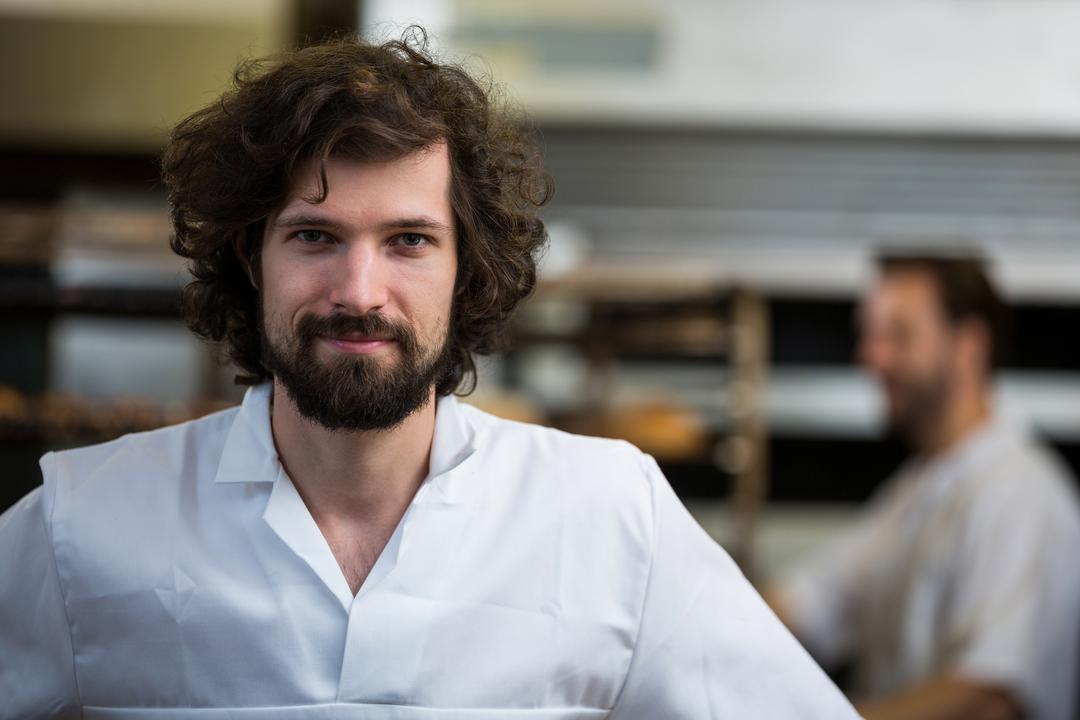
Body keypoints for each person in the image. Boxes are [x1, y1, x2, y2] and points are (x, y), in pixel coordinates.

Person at [0, 32, 858, 719]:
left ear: (465, 266)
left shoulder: (607, 515)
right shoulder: (86, 520)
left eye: (408, 241)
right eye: (314, 236)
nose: (359, 292)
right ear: (250, 256)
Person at [766, 254, 1080, 720]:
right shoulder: (915, 492)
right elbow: (810, 602)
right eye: (869, 334)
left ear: (968, 345)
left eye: (898, 334)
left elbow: (989, 698)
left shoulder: (1019, 492)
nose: (870, 356)